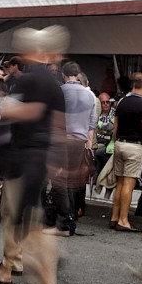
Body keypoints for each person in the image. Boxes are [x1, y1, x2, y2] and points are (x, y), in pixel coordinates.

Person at [0, 26, 68, 284]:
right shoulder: (53, 83)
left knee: (30, 225)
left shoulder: (31, 80)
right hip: (36, 156)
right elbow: (59, 124)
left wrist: (5, 106)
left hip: (25, 157)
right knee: (15, 216)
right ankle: (7, 268)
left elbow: (26, 111)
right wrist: (56, 159)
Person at [53, 61, 97, 234]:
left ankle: (64, 219)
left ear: (63, 74)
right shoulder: (90, 95)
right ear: (78, 75)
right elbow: (92, 124)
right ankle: (71, 214)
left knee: (59, 179)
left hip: (61, 139)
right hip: (79, 140)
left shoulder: (60, 91)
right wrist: (88, 145)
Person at [109, 75, 142, 232]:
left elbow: (115, 127)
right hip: (134, 146)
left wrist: (115, 142)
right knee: (129, 184)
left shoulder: (122, 102)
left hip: (119, 144)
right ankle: (123, 220)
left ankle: (114, 217)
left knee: (120, 183)